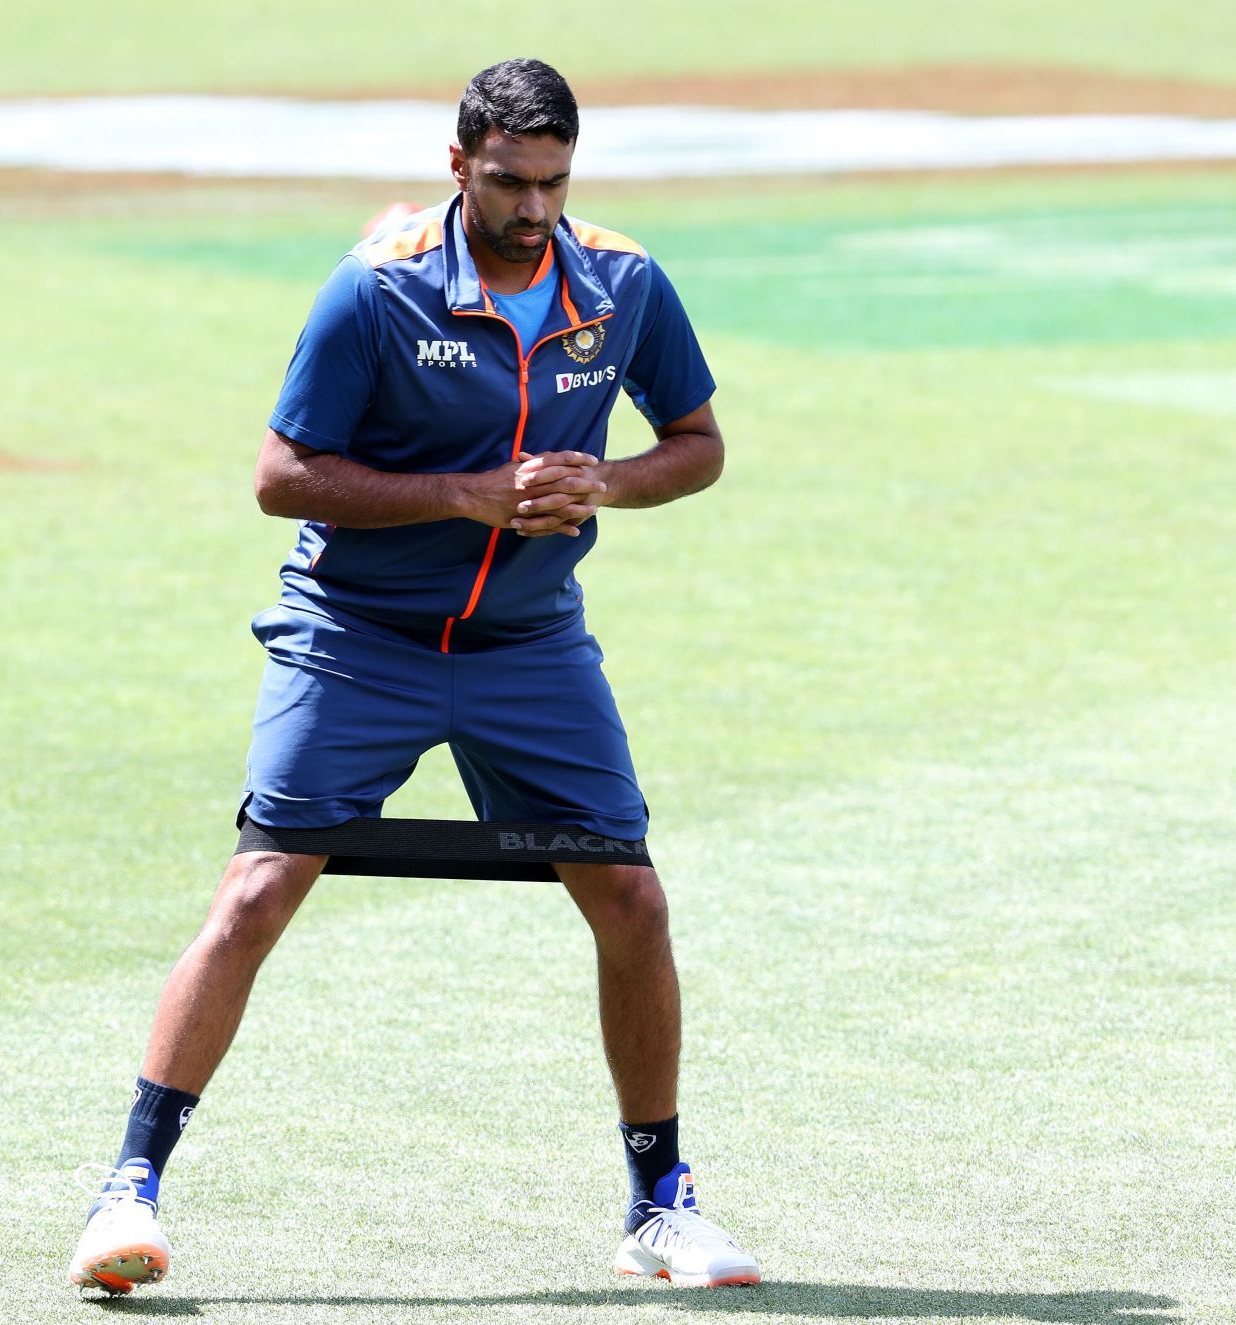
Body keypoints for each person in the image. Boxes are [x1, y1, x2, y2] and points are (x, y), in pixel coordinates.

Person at [67, 56, 759, 1295]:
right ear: (459, 165)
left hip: (532, 648)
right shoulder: (375, 290)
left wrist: (610, 483)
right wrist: (464, 494)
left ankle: (662, 1200)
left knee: (635, 902)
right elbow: (283, 475)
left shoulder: (626, 281)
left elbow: (698, 445)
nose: (534, 209)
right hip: (358, 638)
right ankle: (129, 1187)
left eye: (554, 182)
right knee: (258, 889)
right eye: (508, 182)